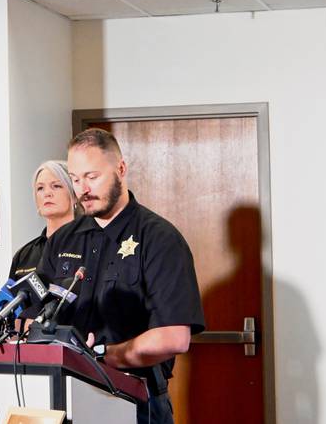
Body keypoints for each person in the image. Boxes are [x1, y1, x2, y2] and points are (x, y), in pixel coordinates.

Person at [36, 128, 205, 424]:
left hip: (135, 398)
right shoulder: (63, 240)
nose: (82, 189)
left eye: (92, 177)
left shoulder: (159, 238)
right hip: (65, 397)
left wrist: (102, 354)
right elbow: (32, 315)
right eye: (75, 179)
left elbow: (174, 337)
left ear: (121, 169)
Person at [9, 160, 80, 281]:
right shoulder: (24, 254)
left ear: (74, 195)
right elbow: (9, 298)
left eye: (56, 186)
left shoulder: (90, 245)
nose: (47, 193)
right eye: (40, 188)